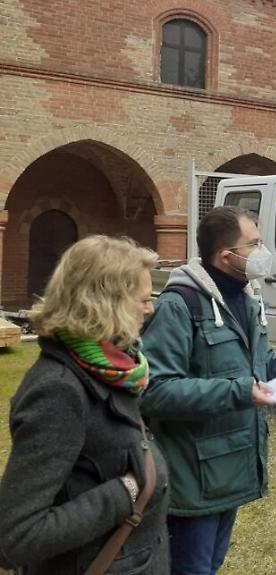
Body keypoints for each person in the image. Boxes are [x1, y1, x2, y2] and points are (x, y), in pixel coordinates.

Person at [140, 206, 276, 575]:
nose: (263, 252)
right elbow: (155, 391)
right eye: (254, 244)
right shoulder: (180, 305)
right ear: (226, 256)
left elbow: (258, 368)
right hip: (195, 477)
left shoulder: (247, 298)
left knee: (211, 564)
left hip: (231, 470)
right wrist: (237, 392)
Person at [0, 235, 169, 574]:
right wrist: (125, 493)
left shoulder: (112, 369)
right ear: (104, 303)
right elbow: (16, 537)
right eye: (142, 299)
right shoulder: (58, 391)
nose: (150, 309)